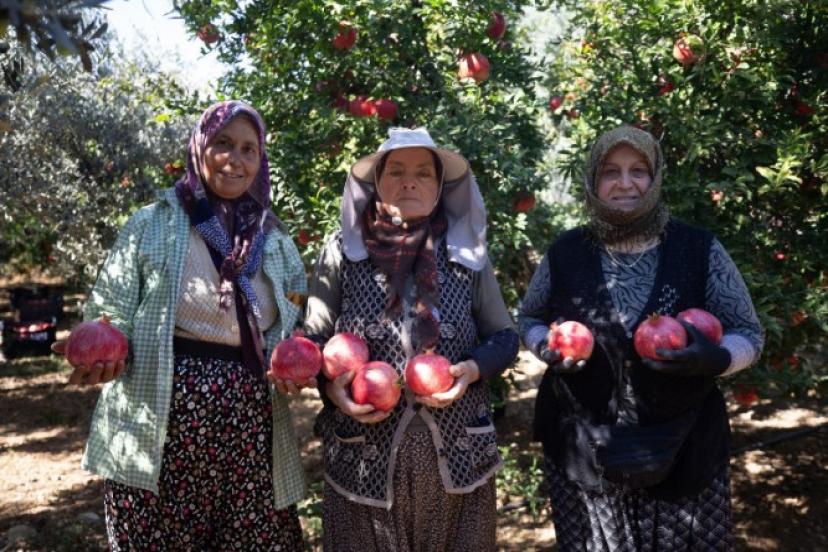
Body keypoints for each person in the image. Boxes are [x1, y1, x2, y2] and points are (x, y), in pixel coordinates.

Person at [53, 101, 311, 550]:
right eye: (223, 144)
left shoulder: (275, 237)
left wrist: (295, 365)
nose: (236, 159)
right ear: (199, 147)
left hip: (252, 424)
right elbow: (107, 307)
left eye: (249, 149)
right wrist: (98, 346)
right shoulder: (151, 223)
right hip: (160, 418)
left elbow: (293, 320)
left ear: (261, 159)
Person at [518, 125, 764, 551]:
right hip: (586, 452)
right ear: (593, 180)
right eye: (611, 171)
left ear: (655, 178)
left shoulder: (698, 248)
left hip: (683, 447)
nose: (625, 182)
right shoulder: (566, 252)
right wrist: (546, 347)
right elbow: (530, 316)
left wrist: (719, 359)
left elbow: (749, 331)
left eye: (639, 171)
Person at [304, 127, 519, 551]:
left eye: (424, 172)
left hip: (459, 465)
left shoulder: (466, 255)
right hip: (361, 466)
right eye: (396, 171)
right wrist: (332, 390)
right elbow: (312, 342)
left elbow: (505, 337)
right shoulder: (343, 252)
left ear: (440, 187)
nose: (410, 181)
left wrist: (471, 370)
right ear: (375, 183)